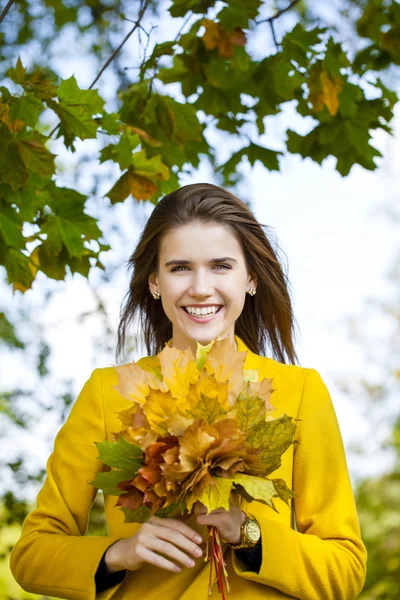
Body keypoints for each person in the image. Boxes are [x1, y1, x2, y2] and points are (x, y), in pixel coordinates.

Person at [10, 183, 367, 600]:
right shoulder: (108, 393)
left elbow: (345, 570)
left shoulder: (301, 391)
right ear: (155, 282)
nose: (200, 287)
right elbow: (32, 554)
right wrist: (120, 553)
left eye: (221, 266)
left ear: (250, 278)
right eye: (180, 268)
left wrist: (248, 535)